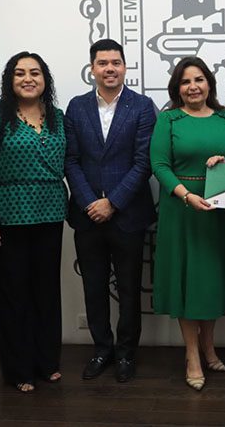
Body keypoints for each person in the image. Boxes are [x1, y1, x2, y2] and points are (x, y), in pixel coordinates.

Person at [0, 51, 67, 393]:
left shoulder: (57, 117)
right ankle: (19, 369)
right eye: (20, 73)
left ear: (45, 79)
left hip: (50, 213)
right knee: (13, 294)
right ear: (9, 80)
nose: (28, 79)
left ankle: (47, 362)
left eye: (35, 72)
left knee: (46, 291)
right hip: (6, 216)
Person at [65, 39, 157, 383]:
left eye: (116, 62)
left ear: (124, 67)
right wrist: (91, 202)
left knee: (130, 289)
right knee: (93, 287)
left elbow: (143, 162)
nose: (109, 68)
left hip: (128, 214)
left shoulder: (142, 106)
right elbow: (71, 160)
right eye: (102, 63)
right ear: (92, 68)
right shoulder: (76, 107)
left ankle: (126, 353)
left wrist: (112, 202)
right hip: (87, 214)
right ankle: (101, 349)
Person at [150, 56, 225, 391]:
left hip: (217, 211)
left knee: (210, 282)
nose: (193, 87)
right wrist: (186, 196)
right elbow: (159, 165)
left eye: (199, 79)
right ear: (177, 88)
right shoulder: (168, 120)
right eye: (186, 81)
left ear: (209, 84)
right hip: (182, 210)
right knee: (187, 284)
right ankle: (192, 354)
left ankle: (209, 346)